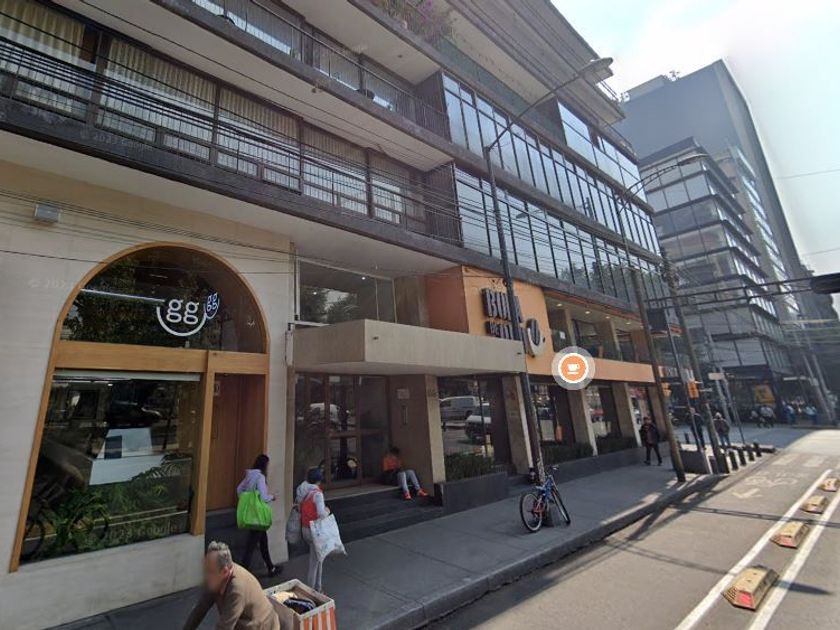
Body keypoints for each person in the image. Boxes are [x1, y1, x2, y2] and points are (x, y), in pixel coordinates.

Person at [183, 541, 280, 630]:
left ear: (225, 572)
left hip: (261, 626)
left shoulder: (236, 589)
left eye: (210, 572)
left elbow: (224, 627)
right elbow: (199, 610)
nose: (206, 576)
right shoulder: (215, 577)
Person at [236, 454, 282, 577]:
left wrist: (247, 500)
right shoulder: (260, 477)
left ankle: (271, 567)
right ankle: (242, 572)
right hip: (258, 516)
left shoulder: (249, 475)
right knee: (251, 545)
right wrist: (272, 497)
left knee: (262, 542)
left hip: (252, 514)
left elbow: (239, 489)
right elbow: (263, 497)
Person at [296, 467, 330, 592]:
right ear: (319, 480)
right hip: (314, 530)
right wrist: (327, 511)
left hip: (305, 528)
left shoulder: (303, 491)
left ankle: (318, 587)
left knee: (319, 558)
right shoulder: (317, 494)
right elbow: (321, 513)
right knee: (314, 563)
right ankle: (311, 591)